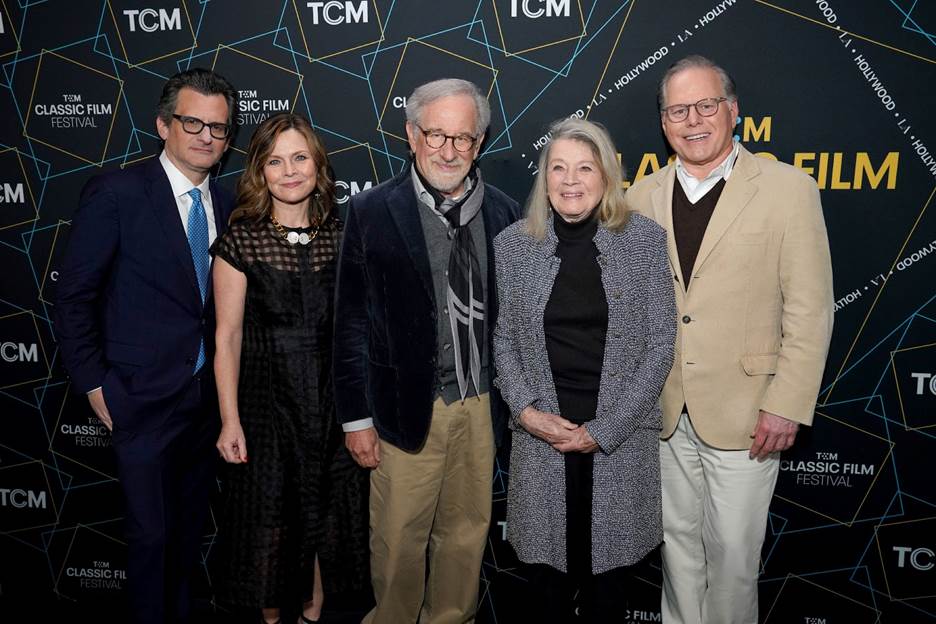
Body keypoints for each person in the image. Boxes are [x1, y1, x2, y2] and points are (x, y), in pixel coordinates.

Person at [623, 55, 834, 624]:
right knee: (677, 553)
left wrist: (786, 404)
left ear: (732, 111)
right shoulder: (640, 198)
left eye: (706, 105)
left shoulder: (789, 189)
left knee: (735, 560)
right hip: (663, 413)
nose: (693, 120)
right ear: (663, 122)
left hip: (749, 415)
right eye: (677, 110)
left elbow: (811, 311)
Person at [333, 78, 521, 623]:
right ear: (412, 135)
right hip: (402, 410)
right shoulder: (370, 211)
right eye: (436, 134)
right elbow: (349, 325)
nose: (448, 150)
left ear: (479, 141)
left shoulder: (505, 214)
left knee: (465, 538)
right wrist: (355, 419)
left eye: (462, 138)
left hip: (481, 406)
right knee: (397, 542)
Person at [53, 68, 236, 623]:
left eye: (219, 128)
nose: (206, 136)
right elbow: (74, 296)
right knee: (150, 542)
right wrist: (94, 382)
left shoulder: (230, 205)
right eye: (192, 122)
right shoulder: (117, 193)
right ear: (163, 124)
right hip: (138, 399)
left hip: (207, 406)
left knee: (183, 542)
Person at [492, 118, 676, 622]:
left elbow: (661, 344)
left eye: (584, 168)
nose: (570, 181)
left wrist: (605, 431)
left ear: (606, 176)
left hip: (617, 443)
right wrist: (529, 415)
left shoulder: (643, 241)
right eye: (558, 168)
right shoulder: (513, 245)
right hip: (542, 441)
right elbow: (503, 340)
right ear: (544, 178)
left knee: (608, 592)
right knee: (546, 588)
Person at [210, 113, 369, 624]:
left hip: (330, 406)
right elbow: (226, 338)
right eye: (275, 161)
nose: (290, 171)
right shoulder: (241, 242)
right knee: (273, 521)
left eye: (300, 157)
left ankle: (312, 617)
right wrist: (230, 420)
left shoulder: (344, 239)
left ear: (318, 166)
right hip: (265, 408)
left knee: (324, 520)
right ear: (260, 172)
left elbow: (358, 335)